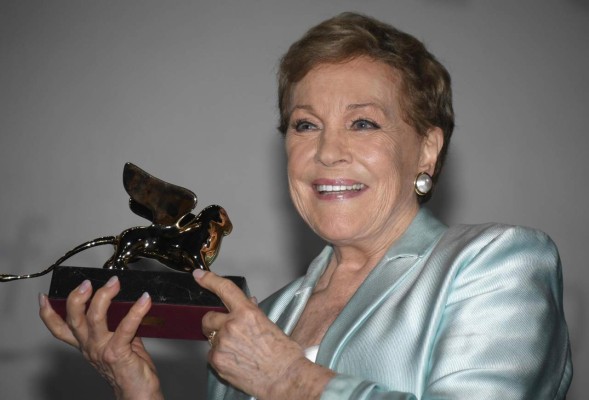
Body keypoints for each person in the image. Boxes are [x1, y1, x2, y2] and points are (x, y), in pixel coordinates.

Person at [38, 12, 573, 400]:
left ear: (427, 149)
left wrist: (289, 380)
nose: (327, 151)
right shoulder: (263, 317)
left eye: (363, 123)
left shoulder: (497, 265)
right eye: (305, 125)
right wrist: (137, 389)